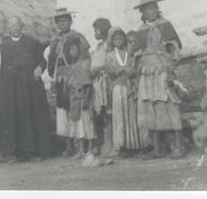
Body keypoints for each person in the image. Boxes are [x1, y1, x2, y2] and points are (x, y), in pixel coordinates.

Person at [133, 0, 185, 159]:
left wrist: (170, 70)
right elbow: (136, 55)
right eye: (148, 8)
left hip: (163, 69)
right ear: (143, 11)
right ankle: (158, 147)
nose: (152, 10)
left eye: (154, 7)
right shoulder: (140, 31)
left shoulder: (165, 25)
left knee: (170, 105)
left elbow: (174, 49)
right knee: (150, 107)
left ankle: (179, 145)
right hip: (148, 73)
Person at [0, 16, 53, 162]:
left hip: (30, 87)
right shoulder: (4, 45)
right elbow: (3, 67)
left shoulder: (31, 42)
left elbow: (42, 60)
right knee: (13, 117)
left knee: (31, 115)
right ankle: (16, 153)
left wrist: (39, 68)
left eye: (17, 25)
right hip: (12, 88)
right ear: (8, 28)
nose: (14, 28)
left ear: (21, 26)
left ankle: (33, 152)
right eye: (11, 25)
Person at [47, 7, 90, 157]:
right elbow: (52, 63)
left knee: (75, 110)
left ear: (70, 21)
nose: (62, 24)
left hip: (74, 78)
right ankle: (68, 146)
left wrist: (79, 74)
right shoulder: (55, 40)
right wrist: (53, 78)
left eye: (65, 21)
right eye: (59, 22)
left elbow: (85, 58)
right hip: (60, 79)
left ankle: (81, 147)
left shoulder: (77, 37)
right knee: (62, 111)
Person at [105, 27, 149, 157]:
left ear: (124, 39)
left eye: (120, 38)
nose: (118, 41)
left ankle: (135, 144)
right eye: (115, 39)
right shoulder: (110, 56)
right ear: (112, 41)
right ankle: (123, 146)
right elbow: (110, 72)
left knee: (132, 115)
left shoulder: (129, 53)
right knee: (120, 117)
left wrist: (130, 71)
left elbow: (134, 68)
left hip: (130, 87)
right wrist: (121, 70)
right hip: (118, 88)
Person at [64, 36, 96, 159]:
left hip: (83, 99)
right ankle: (81, 149)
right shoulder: (73, 65)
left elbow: (88, 84)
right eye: (69, 50)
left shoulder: (84, 64)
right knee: (78, 125)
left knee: (87, 124)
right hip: (75, 100)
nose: (70, 52)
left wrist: (87, 99)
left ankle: (91, 148)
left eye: (73, 49)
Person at [90, 17, 113, 155]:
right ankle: (107, 142)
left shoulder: (109, 46)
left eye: (96, 30)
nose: (94, 33)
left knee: (109, 112)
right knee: (102, 114)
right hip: (98, 83)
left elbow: (108, 62)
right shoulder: (98, 47)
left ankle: (113, 143)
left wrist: (98, 68)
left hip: (106, 81)